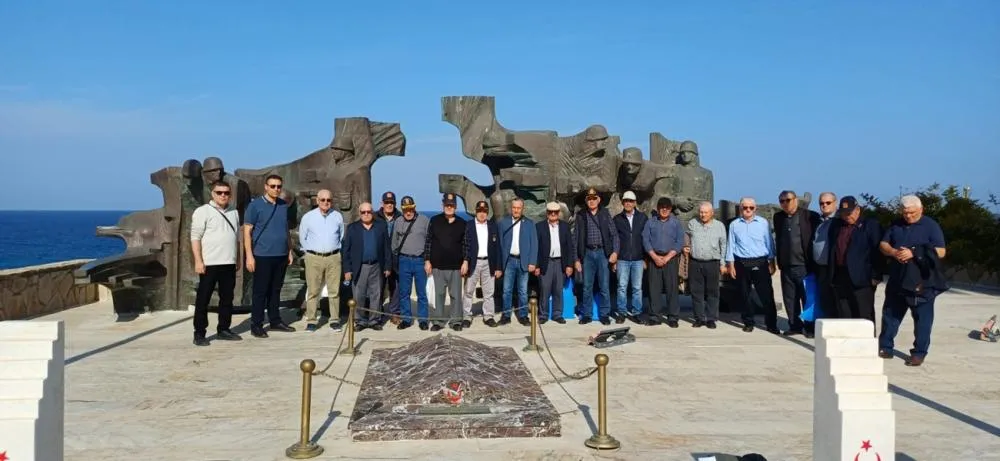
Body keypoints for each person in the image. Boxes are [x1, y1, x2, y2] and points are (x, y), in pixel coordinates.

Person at [877, 195, 948, 367]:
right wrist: (894, 252)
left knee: (922, 321)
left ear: (921, 209)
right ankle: (885, 347)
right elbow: (883, 244)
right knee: (890, 316)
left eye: (912, 213)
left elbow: (941, 251)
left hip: (922, 282)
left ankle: (919, 353)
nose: (908, 216)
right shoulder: (896, 224)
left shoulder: (930, 226)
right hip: (897, 279)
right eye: (905, 213)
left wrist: (914, 252)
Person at [190, 180, 243, 346]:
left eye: (226, 193)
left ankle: (224, 329)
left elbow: (237, 238)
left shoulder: (234, 212)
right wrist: (198, 261)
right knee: (203, 299)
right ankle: (199, 333)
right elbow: (195, 237)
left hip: (228, 262)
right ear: (212, 194)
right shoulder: (203, 211)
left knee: (227, 298)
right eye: (219, 192)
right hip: (209, 263)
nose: (223, 195)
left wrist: (238, 259)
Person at [243, 174, 296, 338]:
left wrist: (289, 250)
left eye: (279, 186)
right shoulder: (255, 206)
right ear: (266, 187)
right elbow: (247, 231)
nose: (276, 189)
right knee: (260, 291)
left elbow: (285, 229)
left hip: (281, 254)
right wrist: (249, 256)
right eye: (273, 186)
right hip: (262, 255)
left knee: (276, 289)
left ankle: (275, 320)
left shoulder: (283, 205)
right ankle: (256, 324)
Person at [827, 196, 884, 332]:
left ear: (857, 210)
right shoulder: (836, 226)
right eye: (843, 213)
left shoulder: (870, 225)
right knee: (845, 313)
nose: (847, 216)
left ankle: (867, 342)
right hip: (840, 276)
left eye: (849, 213)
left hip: (862, 278)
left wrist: (876, 275)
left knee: (864, 315)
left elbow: (878, 252)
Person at [724, 197, 779, 334]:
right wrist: (730, 264)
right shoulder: (734, 224)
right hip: (741, 263)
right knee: (744, 295)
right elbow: (731, 244)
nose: (748, 210)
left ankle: (771, 324)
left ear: (755, 209)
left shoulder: (763, 223)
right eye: (745, 207)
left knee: (766, 295)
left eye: (751, 207)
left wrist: (772, 262)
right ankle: (748, 322)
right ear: (740, 208)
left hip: (760, 262)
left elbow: (769, 243)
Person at [773, 190, 821, 337]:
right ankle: (794, 326)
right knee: (790, 298)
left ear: (795, 200)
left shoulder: (810, 216)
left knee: (807, 298)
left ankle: (810, 328)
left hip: (804, 265)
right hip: (786, 265)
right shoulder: (778, 217)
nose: (785, 203)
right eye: (782, 201)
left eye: (787, 200)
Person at [298, 189, 346, 332]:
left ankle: (334, 320)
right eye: (323, 200)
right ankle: (311, 321)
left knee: (334, 291)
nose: (326, 202)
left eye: (328, 200)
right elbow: (302, 237)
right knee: (313, 291)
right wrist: (311, 252)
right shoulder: (308, 217)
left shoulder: (337, 216)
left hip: (333, 257)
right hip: (314, 257)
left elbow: (341, 236)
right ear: (317, 201)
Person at [574, 187, 620, 325]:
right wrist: (576, 259)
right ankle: (587, 314)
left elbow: (614, 235)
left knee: (604, 286)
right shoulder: (581, 215)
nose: (592, 201)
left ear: (598, 200)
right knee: (587, 286)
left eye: (594, 198)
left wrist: (615, 252)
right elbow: (575, 238)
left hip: (602, 253)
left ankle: (604, 314)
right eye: (589, 199)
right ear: (586, 201)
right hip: (587, 253)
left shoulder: (605, 213)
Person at [343, 202, 390, 330]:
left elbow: (386, 248)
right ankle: (360, 321)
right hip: (360, 267)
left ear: (372, 212)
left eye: (369, 212)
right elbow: (346, 250)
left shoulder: (381, 226)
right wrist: (347, 269)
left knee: (376, 294)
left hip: (377, 266)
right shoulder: (352, 228)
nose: (366, 214)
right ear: (360, 213)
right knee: (359, 295)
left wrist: (387, 266)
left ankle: (375, 320)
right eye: (363, 212)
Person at [425, 193, 468, 331]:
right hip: (437, 266)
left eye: (452, 205)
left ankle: (456, 321)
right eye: (447, 205)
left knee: (456, 295)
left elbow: (466, 244)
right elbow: (428, 242)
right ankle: (438, 321)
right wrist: (427, 260)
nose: (449, 207)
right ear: (442, 205)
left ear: (456, 206)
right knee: (438, 295)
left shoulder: (462, 223)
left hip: (456, 266)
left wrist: (466, 261)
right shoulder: (434, 220)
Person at [642, 197, 685, 327]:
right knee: (654, 289)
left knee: (672, 289)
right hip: (654, 258)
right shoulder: (650, 223)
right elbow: (645, 240)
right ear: (658, 208)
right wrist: (654, 257)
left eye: (667, 207)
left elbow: (679, 242)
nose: (664, 209)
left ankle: (673, 317)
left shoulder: (676, 223)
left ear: (670, 209)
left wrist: (667, 257)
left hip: (670, 259)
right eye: (662, 207)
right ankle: (654, 316)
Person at [390, 196, 431, 330]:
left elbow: (429, 241)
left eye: (410, 208)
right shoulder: (398, 221)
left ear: (414, 207)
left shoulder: (424, 220)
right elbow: (394, 243)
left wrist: (428, 260)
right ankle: (406, 319)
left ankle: (423, 320)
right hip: (404, 260)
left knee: (421, 293)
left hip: (420, 260)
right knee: (404, 292)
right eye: (405, 209)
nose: (408, 212)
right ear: (402, 210)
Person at [684, 201, 727, 329]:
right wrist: (685, 246)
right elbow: (686, 236)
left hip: (712, 262)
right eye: (701, 212)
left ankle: (711, 318)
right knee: (696, 292)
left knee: (712, 292)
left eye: (706, 212)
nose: (703, 215)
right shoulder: (693, 223)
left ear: (712, 213)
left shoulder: (719, 226)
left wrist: (723, 263)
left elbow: (724, 245)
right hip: (695, 262)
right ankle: (699, 318)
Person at [498, 198, 538, 325]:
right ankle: (506, 315)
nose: (516, 210)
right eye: (514, 207)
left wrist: (532, 262)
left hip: (523, 261)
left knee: (523, 291)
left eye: (518, 208)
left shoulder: (529, 224)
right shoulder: (503, 223)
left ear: (522, 209)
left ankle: (523, 315)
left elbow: (534, 244)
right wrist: (500, 264)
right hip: (509, 261)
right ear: (511, 208)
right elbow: (499, 244)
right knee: (506, 290)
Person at [534, 201, 575, 324]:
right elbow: (536, 248)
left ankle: (557, 314)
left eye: (555, 212)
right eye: (550, 212)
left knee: (558, 289)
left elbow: (570, 247)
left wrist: (569, 265)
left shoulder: (565, 227)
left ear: (558, 213)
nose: (553, 214)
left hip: (560, 262)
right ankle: (543, 315)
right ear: (547, 213)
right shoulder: (539, 226)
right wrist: (536, 265)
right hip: (545, 262)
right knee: (545, 289)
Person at [463, 200, 502, 327]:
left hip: (488, 263)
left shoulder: (493, 226)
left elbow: (498, 248)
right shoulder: (468, 225)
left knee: (489, 292)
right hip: (473, 262)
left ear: (487, 212)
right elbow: (465, 245)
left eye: (484, 211)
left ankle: (488, 316)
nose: (482, 213)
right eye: (479, 211)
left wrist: (498, 267)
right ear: (476, 211)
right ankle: (467, 316)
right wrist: (465, 262)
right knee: (468, 291)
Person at [612, 191, 647, 323]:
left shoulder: (642, 218)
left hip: (638, 258)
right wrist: (614, 260)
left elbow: (645, 239)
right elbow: (614, 240)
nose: (628, 203)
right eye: (626, 201)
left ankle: (637, 313)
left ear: (635, 203)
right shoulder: (617, 219)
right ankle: (621, 313)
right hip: (622, 258)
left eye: (630, 201)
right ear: (622, 203)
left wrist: (645, 259)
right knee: (621, 287)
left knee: (637, 288)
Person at [374, 191, 402, 324]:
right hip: (380, 257)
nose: (389, 205)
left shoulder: (400, 217)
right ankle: (377, 313)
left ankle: (394, 312)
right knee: (378, 286)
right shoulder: (375, 217)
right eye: (387, 202)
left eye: (391, 203)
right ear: (382, 203)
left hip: (396, 257)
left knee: (395, 286)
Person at [811, 192, 839, 322]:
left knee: (835, 301)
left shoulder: (839, 221)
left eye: (828, 203)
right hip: (820, 267)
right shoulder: (818, 221)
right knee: (824, 300)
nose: (824, 205)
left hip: (834, 268)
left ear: (835, 203)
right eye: (821, 203)